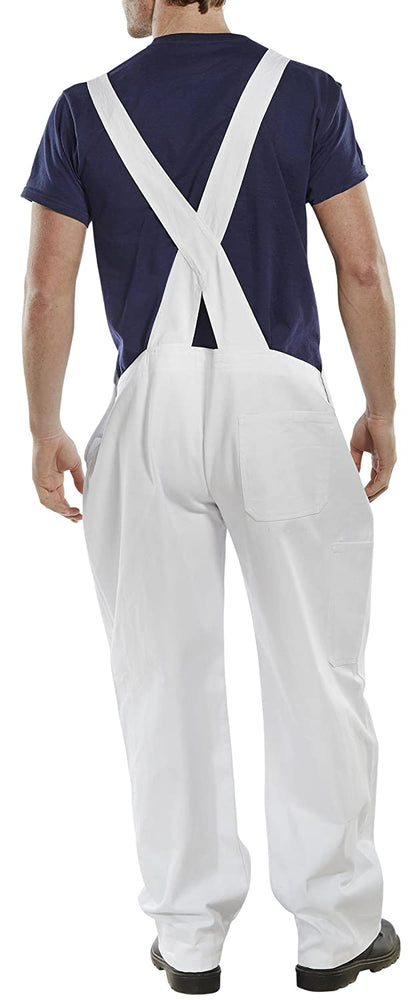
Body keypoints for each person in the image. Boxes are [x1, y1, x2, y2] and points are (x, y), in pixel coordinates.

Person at [21, 0, 400, 994]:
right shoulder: (305, 93)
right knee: (316, 668)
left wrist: (44, 425)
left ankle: (189, 937)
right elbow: (360, 267)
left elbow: (48, 291)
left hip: (147, 414)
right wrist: (381, 407)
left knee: (161, 676)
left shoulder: (82, 110)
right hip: (281, 412)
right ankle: (332, 930)